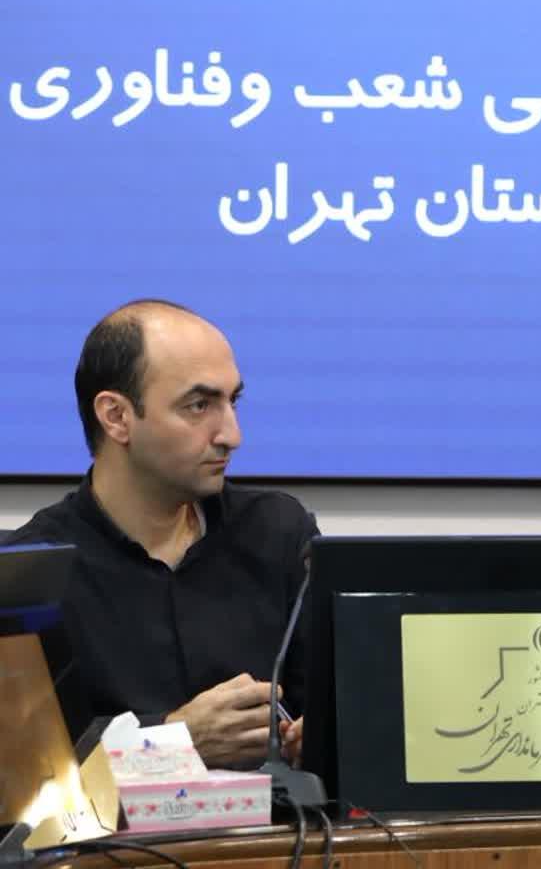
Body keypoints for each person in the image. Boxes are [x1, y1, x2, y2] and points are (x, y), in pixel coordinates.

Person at [4, 300, 316, 768]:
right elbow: (23, 772)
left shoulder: (280, 532)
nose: (232, 435)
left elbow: (337, 704)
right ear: (116, 417)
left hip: (275, 815)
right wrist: (171, 742)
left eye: (232, 401)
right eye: (199, 405)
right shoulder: (30, 574)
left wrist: (323, 738)